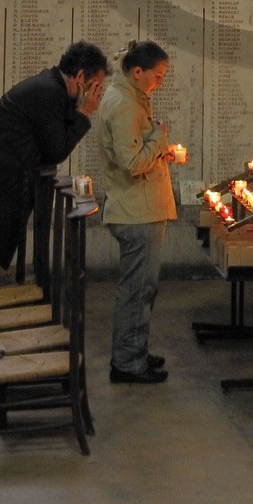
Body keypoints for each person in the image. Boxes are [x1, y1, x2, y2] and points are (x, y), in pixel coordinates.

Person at [0, 40, 108, 292]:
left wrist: (80, 111)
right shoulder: (48, 92)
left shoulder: (52, 89)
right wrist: (85, 112)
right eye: (95, 86)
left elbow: (52, 145)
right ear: (80, 77)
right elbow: (55, 150)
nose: (98, 94)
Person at [96, 40, 187, 385]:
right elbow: (133, 163)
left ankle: (134, 351)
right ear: (137, 72)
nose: (160, 83)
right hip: (137, 213)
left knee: (142, 289)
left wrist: (160, 148)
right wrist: (159, 139)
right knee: (137, 291)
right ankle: (128, 363)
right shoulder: (123, 104)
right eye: (157, 76)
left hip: (139, 208)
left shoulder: (129, 96)